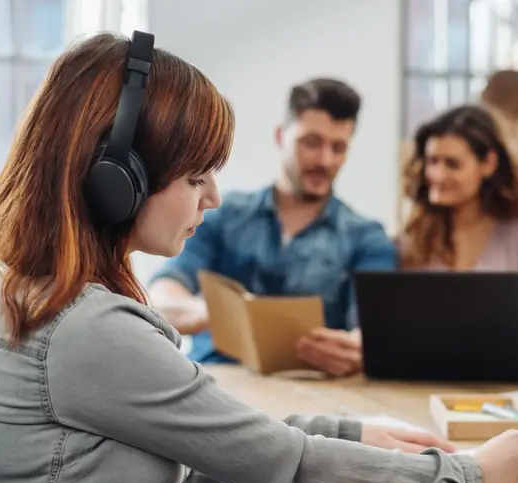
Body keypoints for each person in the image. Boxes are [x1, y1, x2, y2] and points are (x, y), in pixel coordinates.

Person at [0, 31, 518, 483]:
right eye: (196, 175)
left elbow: (209, 450)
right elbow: (287, 471)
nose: (211, 197)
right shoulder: (86, 329)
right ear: (113, 180)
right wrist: (475, 473)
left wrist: (351, 430)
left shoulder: (44, 300)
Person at [148, 76, 393, 378]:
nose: (324, 160)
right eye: (311, 142)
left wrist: (357, 349)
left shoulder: (368, 238)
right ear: (281, 136)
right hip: (217, 385)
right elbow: (160, 298)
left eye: (338, 147)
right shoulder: (220, 216)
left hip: (313, 392)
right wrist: (222, 314)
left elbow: (375, 332)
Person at [398, 104, 518, 309]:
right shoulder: (414, 240)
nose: (437, 175)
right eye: (432, 161)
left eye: (452, 164)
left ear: (488, 164)